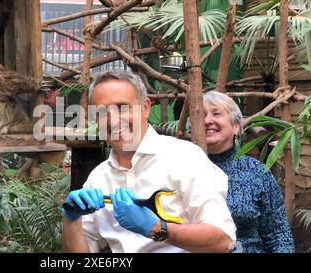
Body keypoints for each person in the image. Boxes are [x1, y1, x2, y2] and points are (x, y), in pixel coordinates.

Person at [61, 70, 236, 253]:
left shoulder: (185, 157)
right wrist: (71, 220)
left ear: (145, 108)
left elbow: (223, 241)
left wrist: (156, 228)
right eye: (102, 112)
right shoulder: (98, 178)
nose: (113, 120)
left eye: (122, 107)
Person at [203, 90, 295, 253]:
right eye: (201, 115)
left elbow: (279, 236)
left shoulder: (257, 173)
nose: (207, 120)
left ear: (236, 126)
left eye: (216, 114)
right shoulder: (184, 169)